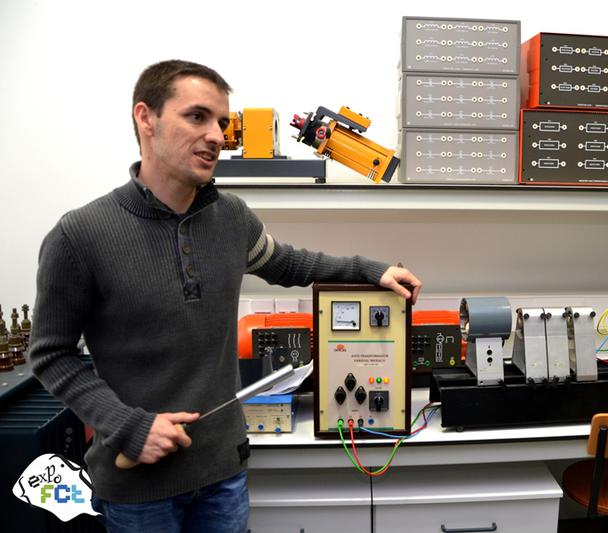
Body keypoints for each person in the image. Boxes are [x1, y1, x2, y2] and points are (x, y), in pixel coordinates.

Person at [28, 59, 422, 533]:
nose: (216, 135)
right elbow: (51, 355)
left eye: (221, 121)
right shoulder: (80, 235)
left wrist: (370, 271)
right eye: (197, 117)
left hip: (223, 476)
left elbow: (289, 264)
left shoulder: (232, 217)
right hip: (137, 491)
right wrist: (128, 426)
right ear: (146, 118)